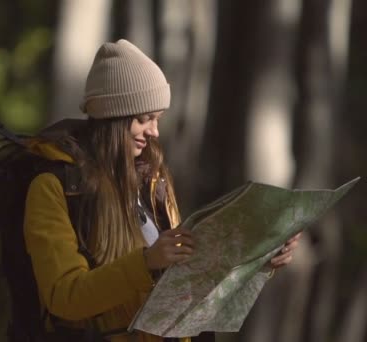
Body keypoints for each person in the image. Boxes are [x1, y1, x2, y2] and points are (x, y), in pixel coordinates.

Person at [22, 39, 301, 342]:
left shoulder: (152, 180)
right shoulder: (54, 188)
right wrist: (146, 263)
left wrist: (258, 258)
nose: (154, 131)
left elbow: (187, 279)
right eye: (144, 119)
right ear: (114, 116)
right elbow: (65, 297)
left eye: (157, 119)